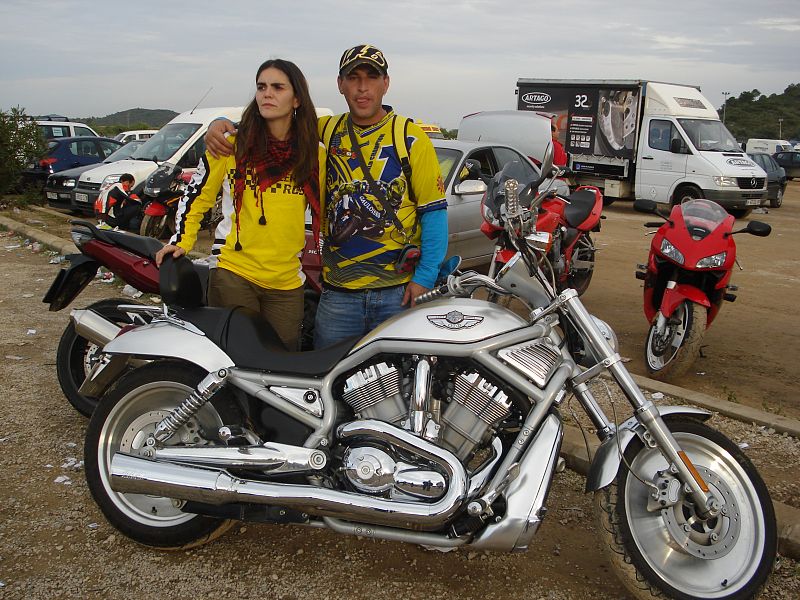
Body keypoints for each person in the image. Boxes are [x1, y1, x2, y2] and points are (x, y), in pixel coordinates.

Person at [206, 44, 448, 350]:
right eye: (353, 78)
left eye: (372, 77)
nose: (362, 87)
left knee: (396, 374)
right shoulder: (324, 131)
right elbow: (275, 123)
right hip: (338, 295)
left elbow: (434, 211)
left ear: (386, 83)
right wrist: (220, 125)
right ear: (340, 84)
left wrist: (425, 277)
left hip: (396, 291)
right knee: (327, 374)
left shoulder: (410, 138)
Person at [155, 58, 323, 351]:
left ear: (297, 99)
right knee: (237, 357)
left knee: (282, 362)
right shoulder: (230, 144)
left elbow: (329, 207)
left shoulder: (313, 153)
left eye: (278, 87)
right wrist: (181, 240)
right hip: (234, 271)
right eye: (261, 87)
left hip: (287, 280)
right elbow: (198, 195)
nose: (267, 94)